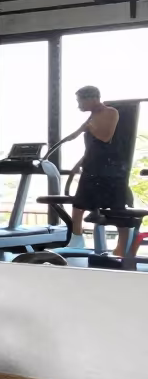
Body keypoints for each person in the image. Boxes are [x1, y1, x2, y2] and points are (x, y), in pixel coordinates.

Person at [52, 86, 131, 256]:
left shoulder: (110, 112)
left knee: (117, 210)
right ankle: (76, 240)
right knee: (78, 205)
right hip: (92, 166)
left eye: (80, 101)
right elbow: (90, 144)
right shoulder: (92, 116)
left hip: (111, 169)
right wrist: (77, 163)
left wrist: (89, 127)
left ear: (92, 99)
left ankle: (122, 248)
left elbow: (105, 137)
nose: (78, 105)